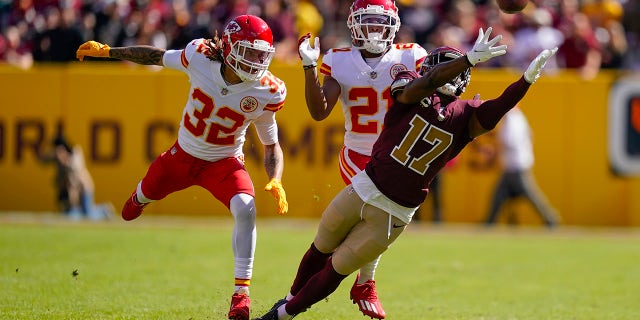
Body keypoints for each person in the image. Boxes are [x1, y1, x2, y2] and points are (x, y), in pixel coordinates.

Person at [254, 27, 557, 319]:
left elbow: (499, 107)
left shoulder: (465, 115)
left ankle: (284, 313)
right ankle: (294, 300)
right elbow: (429, 84)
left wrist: (525, 81)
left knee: (337, 266)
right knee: (321, 248)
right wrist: (468, 61)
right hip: (366, 184)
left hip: (394, 209)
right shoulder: (413, 87)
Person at [76, 15, 289, 320]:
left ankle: (241, 295)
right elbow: (156, 56)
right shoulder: (199, 56)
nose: (257, 61)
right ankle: (140, 198)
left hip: (224, 162)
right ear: (229, 47)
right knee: (137, 202)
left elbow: (271, 145)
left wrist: (276, 179)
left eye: (262, 54)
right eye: (250, 52)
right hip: (181, 157)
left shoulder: (268, 90)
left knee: (246, 208)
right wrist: (110, 52)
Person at [296, 0, 427, 317]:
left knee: (379, 224)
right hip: (358, 153)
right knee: (375, 218)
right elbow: (319, 112)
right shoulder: (339, 59)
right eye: (365, 21)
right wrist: (308, 68)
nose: (373, 29)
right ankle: (364, 282)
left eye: (378, 21)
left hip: (396, 154)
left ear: (393, 23)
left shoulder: (411, 54)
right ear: (353, 24)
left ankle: (356, 280)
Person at [484, 107, 561, 228]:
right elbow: (530, 135)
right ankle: (489, 222)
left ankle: (551, 219)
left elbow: (509, 141)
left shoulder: (513, 118)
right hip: (514, 165)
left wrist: (494, 149)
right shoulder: (517, 117)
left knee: (531, 195)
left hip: (517, 166)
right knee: (498, 196)